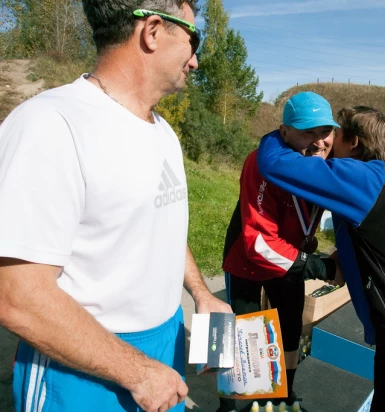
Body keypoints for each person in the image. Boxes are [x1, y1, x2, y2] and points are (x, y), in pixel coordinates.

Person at [0, 2, 231, 411]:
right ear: (153, 31)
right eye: (193, 40)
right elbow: (17, 296)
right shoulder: (50, 123)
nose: (195, 61)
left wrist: (201, 293)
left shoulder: (163, 132)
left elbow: (162, 228)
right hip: (81, 368)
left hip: (163, 349)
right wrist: (138, 371)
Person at [257, 106, 385, 411]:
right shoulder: (380, 179)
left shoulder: (361, 177)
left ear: (353, 142)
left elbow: (274, 164)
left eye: (333, 134)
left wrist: (283, 133)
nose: (323, 140)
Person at [220, 92, 341, 412]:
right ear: (284, 132)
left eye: (324, 131)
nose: (318, 142)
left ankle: (282, 394)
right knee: (243, 338)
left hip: (290, 257)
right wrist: (321, 268)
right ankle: (231, 405)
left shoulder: (327, 162)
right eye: (307, 132)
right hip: (248, 258)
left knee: (289, 330)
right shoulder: (260, 163)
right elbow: (258, 244)